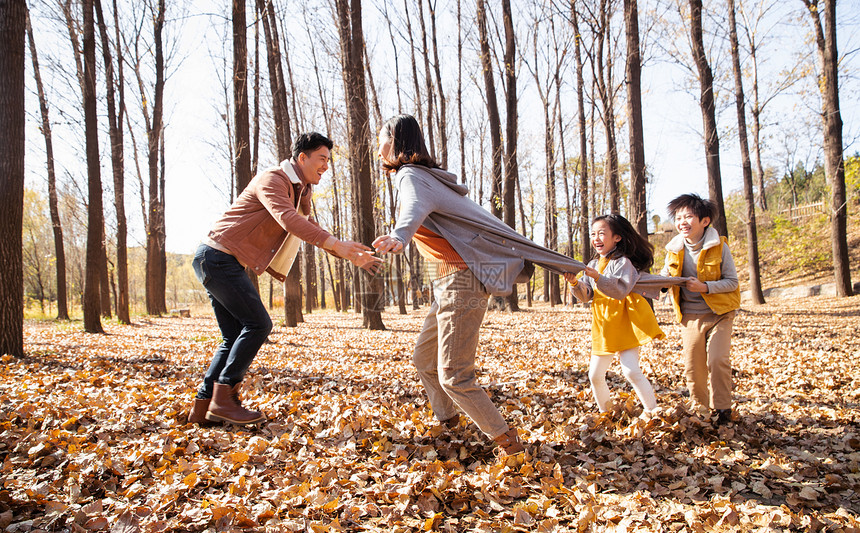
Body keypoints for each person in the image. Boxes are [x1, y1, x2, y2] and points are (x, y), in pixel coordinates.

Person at [372, 115, 586, 456]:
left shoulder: (411, 175)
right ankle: (451, 426)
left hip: (461, 280)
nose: (377, 146)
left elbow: (412, 208)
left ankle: (510, 444)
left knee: (454, 374)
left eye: (380, 138)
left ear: (395, 141)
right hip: (447, 280)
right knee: (424, 360)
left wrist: (400, 235)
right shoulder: (428, 177)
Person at [188, 133, 381, 426]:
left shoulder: (300, 189)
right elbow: (289, 220)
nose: (326, 166)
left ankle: (204, 408)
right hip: (217, 257)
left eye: (329, 160)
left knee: (233, 335)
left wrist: (348, 253)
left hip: (221, 260)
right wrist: (336, 245)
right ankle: (224, 395)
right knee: (259, 324)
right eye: (322, 159)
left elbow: (307, 223)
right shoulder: (273, 180)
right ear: (302, 158)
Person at [564, 214, 664, 415]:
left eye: (602, 233)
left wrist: (598, 277)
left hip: (624, 321)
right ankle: (606, 413)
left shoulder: (623, 262)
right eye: (593, 234)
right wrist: (575, 283)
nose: (596, 238)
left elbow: (620, 290)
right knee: (595, 375)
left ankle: (653, 411)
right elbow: (587, 295)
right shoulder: (592, 265)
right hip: (603, 325)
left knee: (631, 370)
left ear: (617, 237)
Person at [660, 193, 740, 426]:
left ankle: (723, 410)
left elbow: (732, 282)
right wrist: (661, 283)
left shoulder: (719, 247)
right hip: (690, 316)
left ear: (704, 221)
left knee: (717, 360)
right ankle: (700, 409)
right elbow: (665, 276)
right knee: (693, 366)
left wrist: (705, 287)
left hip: (720, 313)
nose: (682, 222)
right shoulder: (674, 249)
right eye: (678, 217)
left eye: (689, 216)